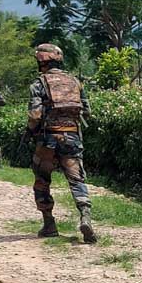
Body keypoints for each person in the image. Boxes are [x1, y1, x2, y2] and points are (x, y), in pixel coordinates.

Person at [27, 43, 96, 243]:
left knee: (42, 180)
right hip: (72, 138)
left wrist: (31, 130)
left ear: (41, 61)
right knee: (77, 180)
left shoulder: (38, 84)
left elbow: (35, 115)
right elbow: (87, 111)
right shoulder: (75, 82)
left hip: (48, 140)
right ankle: (85, 216)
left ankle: (49, 224)